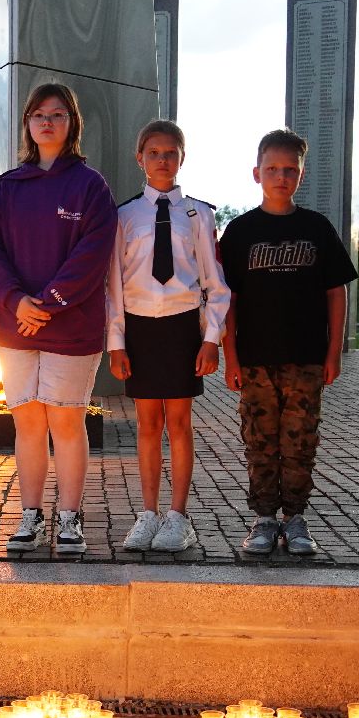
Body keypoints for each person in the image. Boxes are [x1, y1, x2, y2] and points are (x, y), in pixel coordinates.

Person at [0, 83, 117, 556]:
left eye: (57, 114)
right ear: (28, 124)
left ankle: (70, 517)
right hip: (16, 326)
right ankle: (31, 514)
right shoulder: (9, 187)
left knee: (66, 423)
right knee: (28, 426)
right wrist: (17, 300)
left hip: (71, 328)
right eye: (39, 114)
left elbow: (92, 255)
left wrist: (50, 302)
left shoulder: (90, 186)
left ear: (71, 124)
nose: (47, 122)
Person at [218, 128, 355, 557]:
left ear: (301, 174)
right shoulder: (240, 231)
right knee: (260, 441)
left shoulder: (316, 227)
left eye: (290, 170)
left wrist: (333, 352)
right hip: (256, 359)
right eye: (273, 169)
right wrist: (231, 356)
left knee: (300, 441)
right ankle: (262, 518)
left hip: (306, 358)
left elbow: (337, 291)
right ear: (256, 173)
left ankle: (295, 518)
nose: (281, 176)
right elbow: (228, 300)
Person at [106, 119, 231, 553]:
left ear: (182, 158)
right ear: (140, 158)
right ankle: (148, 513)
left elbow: (216, 283)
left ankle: (178, 516)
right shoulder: (124, 215)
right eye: (154, 153)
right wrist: (116, 343)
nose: (163, 160)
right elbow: (114, 286)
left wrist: (211, 338)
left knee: (178, 422)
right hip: (139, 327)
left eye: (171, 152)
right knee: (146, 424)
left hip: (181, 325)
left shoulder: (198, 214)